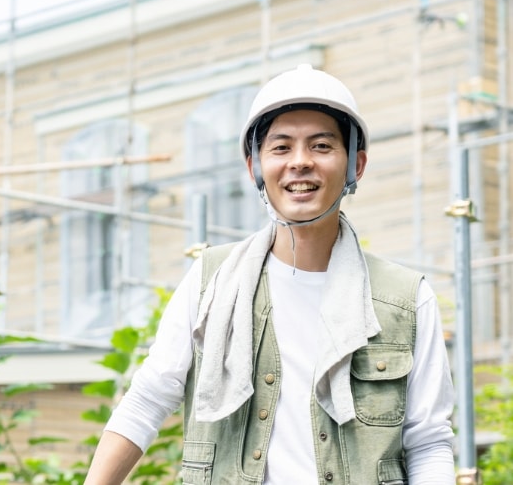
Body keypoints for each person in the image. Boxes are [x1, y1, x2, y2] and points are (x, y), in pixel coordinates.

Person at [84, 64, 455, 484]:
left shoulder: (406, 300)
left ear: (356, 165)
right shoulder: (210, 281)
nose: (300, 162)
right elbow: (147, 401)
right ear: (255, 168)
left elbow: (427, 442)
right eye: (281, 148)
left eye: (321, 146)